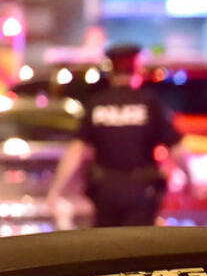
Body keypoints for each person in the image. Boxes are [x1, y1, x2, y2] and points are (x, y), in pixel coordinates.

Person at [46, 43, 190, 227]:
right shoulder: (149, 104)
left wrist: (56, 190)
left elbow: (76, 151)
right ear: (137, 70)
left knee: (107, 248)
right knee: (139, 246)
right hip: (141, 192)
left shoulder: (97, 104)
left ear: (111, 71)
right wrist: (190, 180)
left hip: (106, 191)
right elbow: (177, 148)